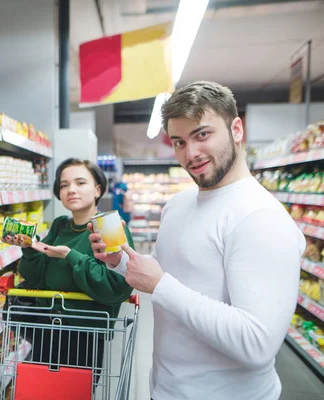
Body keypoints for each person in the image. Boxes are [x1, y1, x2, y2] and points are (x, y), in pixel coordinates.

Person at [89, 81, 305, 400]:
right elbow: (178, 278)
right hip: (166, 389)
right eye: (179, 142)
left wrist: (160, 285)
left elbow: (257, 343)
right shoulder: (178, 205)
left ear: (236, 129)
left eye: (202, 134)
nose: (190, 153)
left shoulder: (261, 217)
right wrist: (121, 263)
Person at [3, 158, 135, 377]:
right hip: (46, 327)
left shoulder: (109, 227)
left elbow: (115, 288)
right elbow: (36, 279)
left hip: (84, 333)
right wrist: (29, 248)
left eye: (80, 183)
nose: (71, 190)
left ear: (97, 189)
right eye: (64, 185)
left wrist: (70, 255)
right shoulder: (60, 225)